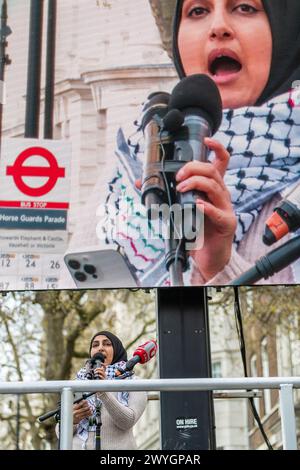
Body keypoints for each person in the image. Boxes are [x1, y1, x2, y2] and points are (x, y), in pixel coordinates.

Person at [68, 0, 300, 286]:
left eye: (244, 8)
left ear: (287, 31)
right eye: (198, 11)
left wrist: (219, 265)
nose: (218, 28)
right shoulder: (134, 160)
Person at [56, 331, 147, 450]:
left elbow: (127, 422)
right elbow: (59, 433)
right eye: (95, 345)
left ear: (117, 350)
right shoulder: (76, 383)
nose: (100, 348)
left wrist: (103, 391)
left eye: (107, 344)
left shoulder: (133, 382)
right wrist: (72, 420)